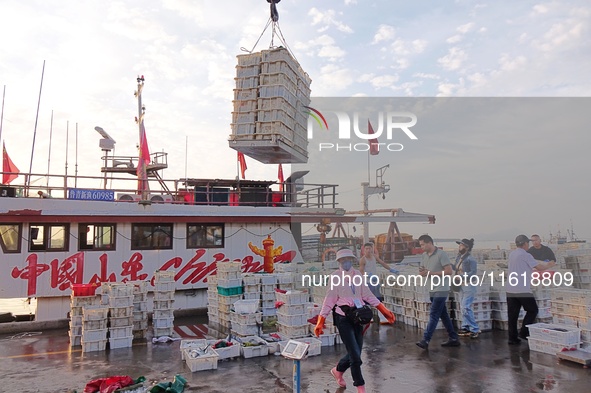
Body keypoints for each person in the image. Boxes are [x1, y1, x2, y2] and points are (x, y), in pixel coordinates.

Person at [314, 247, 395, 393]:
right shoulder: (335, 277)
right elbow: (329, 300)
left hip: (358, 317)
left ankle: (338, 370)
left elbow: (367, 295)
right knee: (355, 357)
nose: (346, 262)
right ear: (339, 261)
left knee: (356, 351)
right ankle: (360, 387)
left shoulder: (358, 274)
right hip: (343, 318)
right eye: (343, 260)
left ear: (352, 260)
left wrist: (384, 310)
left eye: (348, 259)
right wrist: (321, 320)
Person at [507, 235, 556, 345]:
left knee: (512, 315)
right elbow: (539, 267)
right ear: (525, 244)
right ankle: (524, 332)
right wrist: (549, 265)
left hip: (510, 289)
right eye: (528, 243)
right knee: (532, 310)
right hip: (522, 289)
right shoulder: (525, 255)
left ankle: (512, 338)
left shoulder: (512, 254)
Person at [415, 234, 460, 349]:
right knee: (443, 314)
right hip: (431, 289)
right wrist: (423, 272)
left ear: (429, 243)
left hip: (442, 288)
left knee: (434, 314)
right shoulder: (424, 256)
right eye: (421, 245)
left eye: (423, 245)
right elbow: (423, 271)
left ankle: (426, 340)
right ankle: (453, 337)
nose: (422, 247)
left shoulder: (441, 254)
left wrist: (431, 273)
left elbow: (449, 271)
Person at [454, 238, 480, 339]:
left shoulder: (471, 259)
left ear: (467, 247)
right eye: (459, 245)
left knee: (466, 307)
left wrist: (461, 276)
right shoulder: (459, 257)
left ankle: (475, 328)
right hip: (461, 285)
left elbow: (473, 273)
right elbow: (455, 268)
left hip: (469, 285)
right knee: (462, 307)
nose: (459, 246)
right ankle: (466, 326)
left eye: (461, 245)